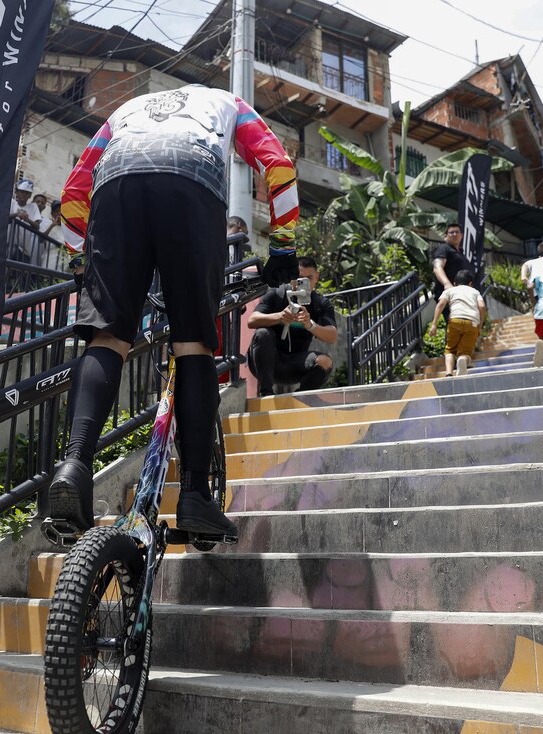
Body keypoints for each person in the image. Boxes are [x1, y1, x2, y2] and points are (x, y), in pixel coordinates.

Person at [49, 84, 299, 536]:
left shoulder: (124, 107)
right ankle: (195, 496)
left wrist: (79, 260)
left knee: (108, 338)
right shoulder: (229, 103)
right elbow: (278, 167)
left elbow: (71, 195)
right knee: (193, 345)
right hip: (191, 180)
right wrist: (282, 244)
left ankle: (73, 467)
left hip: (116, 185)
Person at [246, 257, 337, 396]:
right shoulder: (277, 294)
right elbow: (252, 320)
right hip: (266, 362)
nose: (304, 284)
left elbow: (332, 336)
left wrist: (310, 325)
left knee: (325, 362)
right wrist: (280, 317)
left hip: (295, 364)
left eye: (309, 278)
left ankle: (300, 398)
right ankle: (265, 393)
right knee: (263, 333)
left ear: (316, 277)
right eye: (300, 279)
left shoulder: (320, 304)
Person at [428, 269, 486, 377]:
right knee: (466, 353)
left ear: (454, 283)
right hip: (471, 322)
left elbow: (440, 304)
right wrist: (480, 325)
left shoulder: (450, 291)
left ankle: (449, 373)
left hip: (455, 320)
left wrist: (434, 324)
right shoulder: (475, 292)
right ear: (470, 284)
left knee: (450, 350)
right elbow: (482, 307)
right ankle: (462, 360)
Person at [432, 223, 471, 323]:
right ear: (446, 236)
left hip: (463, 296)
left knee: (463, 326)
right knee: (454, 325)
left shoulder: (460, 253)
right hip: (450, 296)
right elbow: (437, 267)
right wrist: (447, 284)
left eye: (457, 232)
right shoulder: (444, 248)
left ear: (461, 235)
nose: (454, 234)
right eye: (451, 232)